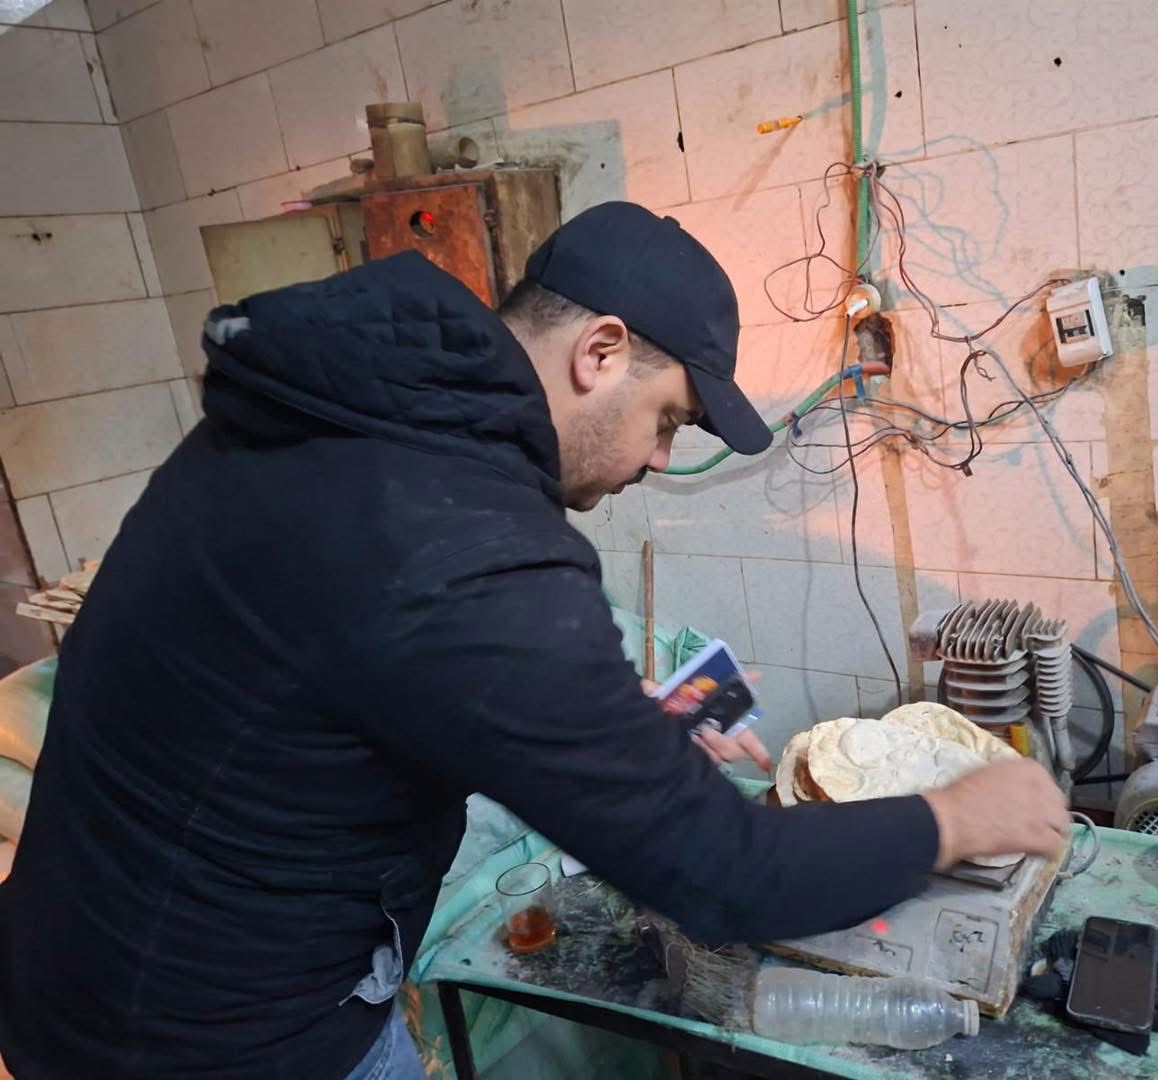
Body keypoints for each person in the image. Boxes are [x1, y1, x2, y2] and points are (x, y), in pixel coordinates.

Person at [0, 202, 1070, 1079]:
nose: (660, 461)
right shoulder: (467, 539)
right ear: (600, 351)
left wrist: (603, 730)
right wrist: (958, 816)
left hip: (73, 974)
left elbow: (357, 667)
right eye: (668, 420)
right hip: (214, 1042)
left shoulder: (328, 414)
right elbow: (725, 876)